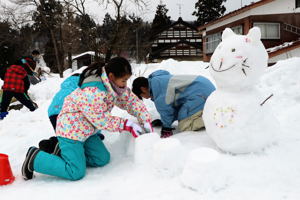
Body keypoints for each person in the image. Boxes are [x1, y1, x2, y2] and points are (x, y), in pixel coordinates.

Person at [22, 57, 153, 181]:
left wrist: (145, 118)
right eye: (124, 80)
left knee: (102, 159)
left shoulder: (113, 85)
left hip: (87, 131)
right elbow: (101, 119)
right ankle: (35, 158)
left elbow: (129, 100)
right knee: (75, 171)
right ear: (112, 76)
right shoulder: (94, 91)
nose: (125, 85)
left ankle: (66, 154)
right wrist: (127, 124)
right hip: (71, 131)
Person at [132, 70, 216, 138]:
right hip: (203, 84)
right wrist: (164, 122)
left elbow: (167, 112)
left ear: (143, 89)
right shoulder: (157, 79)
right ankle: (206, 112)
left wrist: (166, 128)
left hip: (201, 94)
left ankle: (214, 119)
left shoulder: (159, 93)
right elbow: (172, 108)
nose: (146, 98)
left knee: (184, 125)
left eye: (142, 96)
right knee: (182, 113)